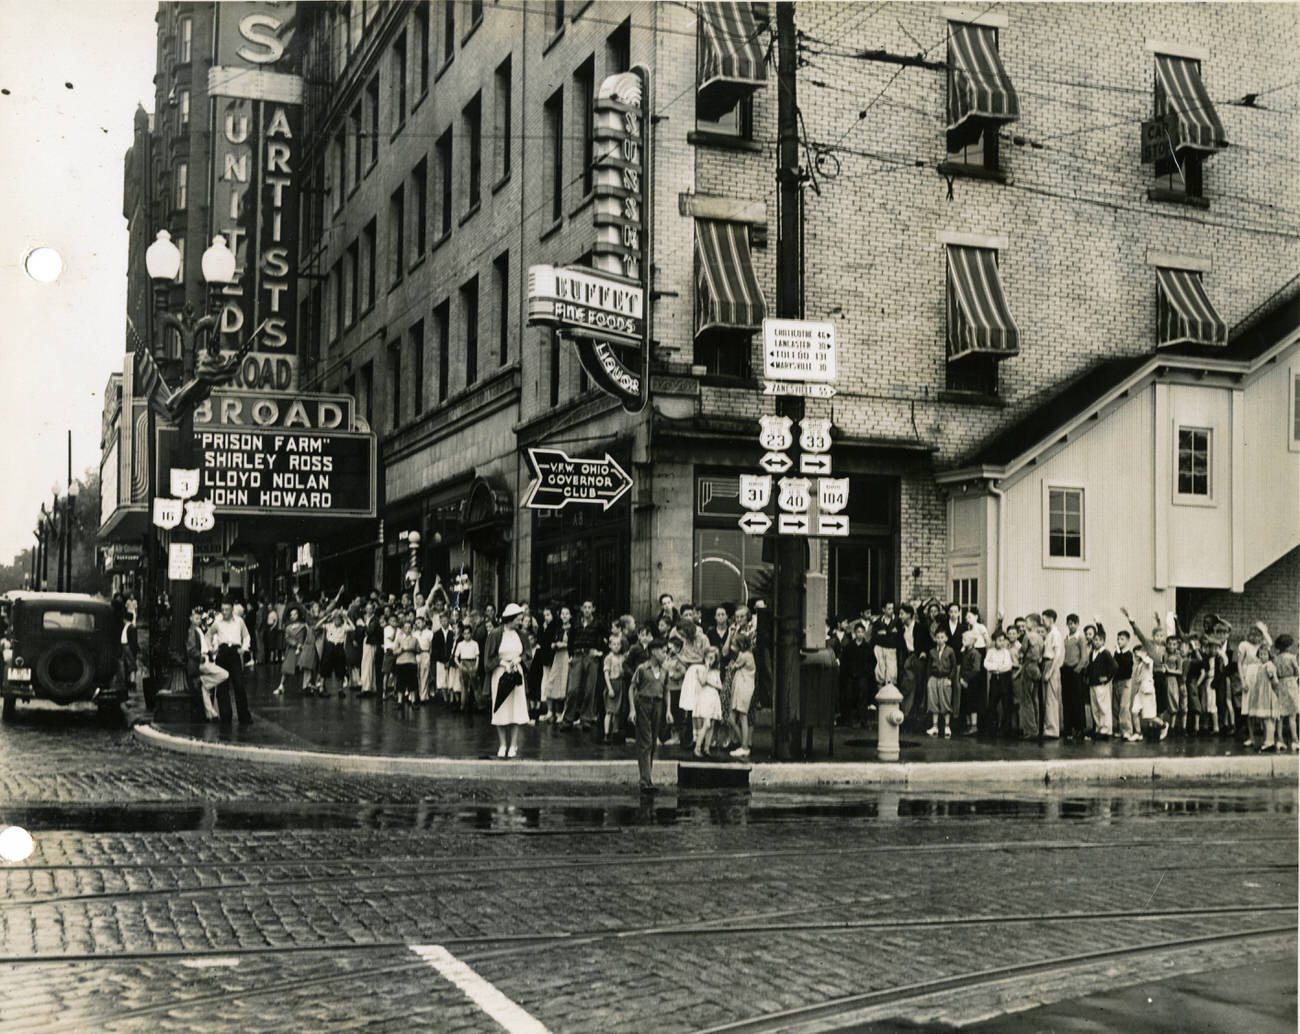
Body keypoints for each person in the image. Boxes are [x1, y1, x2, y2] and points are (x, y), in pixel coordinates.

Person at [485, 603, 529, 757]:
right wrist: (502, 663)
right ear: (510, 619)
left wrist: (518, 661)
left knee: (516, 709)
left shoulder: (521, 635)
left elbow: (527, 654)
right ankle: (503, 744)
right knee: (500, 708)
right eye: (518, 619)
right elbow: (488, 658)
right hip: (500, 674)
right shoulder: (495, 634)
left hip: (516, 673)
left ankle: (513, 745)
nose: (520, 622)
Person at [630, 638, 671, 792]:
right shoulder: (642, 668)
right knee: (645, 742)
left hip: (658, 705)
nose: (665, 654)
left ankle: (647, 778)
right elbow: (632, 688)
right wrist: (633, 710)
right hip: (644, 704)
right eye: (663, 651)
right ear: (654, 652)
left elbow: (666, 691)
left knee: (653, 743)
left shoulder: (665, 671)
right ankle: (645, 780)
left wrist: (668, 711)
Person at [208, 600, 253, 725]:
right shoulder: (217, 622)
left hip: (234, 652)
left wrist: (244, 649)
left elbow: (246, 636)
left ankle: (244, 716)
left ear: (232, 609)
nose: (224, 612)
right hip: (222, 652)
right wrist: (211, 649)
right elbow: (208, 635)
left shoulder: (239, 621)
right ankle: (226, 716)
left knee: (239, 684)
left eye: (227, 610)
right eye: (222, 609)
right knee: (222, 686)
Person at [561, 600, 604, 729]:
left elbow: (607, 637)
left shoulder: (598, 624)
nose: (587, 610)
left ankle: (586, 718)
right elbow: (570, 641)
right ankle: (568, 719)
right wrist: (570, 656)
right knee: (573, 690)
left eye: (589, 607)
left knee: (589, 689)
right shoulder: (576, 623)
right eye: (584, 607)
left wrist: (600, 652)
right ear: (581, 609)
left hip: (591, 657)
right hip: (577, 655)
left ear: (593, 609)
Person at [838, 621, 874, 727]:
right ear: (854, 633)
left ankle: (862, 720)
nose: (860, 634)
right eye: (858, 632)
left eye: (862, 632)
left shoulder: (867, 647)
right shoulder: (849, 647)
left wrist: (866, 672)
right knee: (850, 696)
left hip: (863, 677)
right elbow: (844, 662)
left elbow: (872, 662)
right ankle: (851, 720)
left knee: (862, 696)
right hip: (851, 676)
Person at [1086, 624, 1117, 739]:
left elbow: (1114, 666)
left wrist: (1107, 678)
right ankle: (1099, 728)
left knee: (1104, 707)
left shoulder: (1105, 653)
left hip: (1101, 685)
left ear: (1103, 641)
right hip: (1093, 684)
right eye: (1095, 640)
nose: (1097, 642)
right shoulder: (1092, 653)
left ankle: (1106, 730)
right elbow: (1090, 667)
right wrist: (1088, 678)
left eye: (1099, 640)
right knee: (1095, 707)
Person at [692, 646, 724, 757]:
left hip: (713, 698)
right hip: (705, 697)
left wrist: (711, 684)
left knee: (712, 725)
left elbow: (720, 686)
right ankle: (697, 747)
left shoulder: (716, 671)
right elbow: (702, 681)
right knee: (707, 723)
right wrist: (706, 667)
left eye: (712, 658)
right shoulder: (701, 669)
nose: (710, 660)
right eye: (708, 658)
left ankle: (706, 748)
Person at [539, 605, 570, 722]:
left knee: (564, 684)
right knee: (552, 683)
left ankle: (561, 712)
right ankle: (551, 711)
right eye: (562, 614)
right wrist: (554, 644)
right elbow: (547, 641)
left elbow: (572, 643)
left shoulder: (570, 628)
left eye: (566, 614)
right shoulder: (557, 628)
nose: (564, 616)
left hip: (565, 656)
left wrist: (563, 645)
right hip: (555, 656)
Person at [728, 632, 756, 758]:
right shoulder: (746, 654)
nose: (732, 646)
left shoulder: (745, 655)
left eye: (734, 644)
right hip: (740, 687)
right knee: (732, 719)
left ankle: (744, 746)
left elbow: (734, 666)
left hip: (744, 688)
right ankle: (743, 744)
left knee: (742, 716)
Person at [983, 626, 1014, 737]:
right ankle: (992, 729)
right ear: (994, 641)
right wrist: (996, 667)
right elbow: (986, 664)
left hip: (1004, 680)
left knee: (1006, 704)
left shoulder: (1006, 652)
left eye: (1003, 640)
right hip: (994, 680)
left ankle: (1006, 730)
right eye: (999, 640)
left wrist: (996, 668)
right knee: (992, 704)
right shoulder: (991, 652)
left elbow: (1008, 666)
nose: (1001, 642)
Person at [317, 607, 353, 697]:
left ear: (341, 620)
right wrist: (325, 618)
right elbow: (316, 626)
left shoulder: (344, 627)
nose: (337, 621)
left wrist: (346, 618)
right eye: (335, 619)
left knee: (340, 669)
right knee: (325, 667)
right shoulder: (329, 625)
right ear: (333, 619)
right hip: (329, 647)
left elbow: (353, 628)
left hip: (339, 648)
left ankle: (340, 690)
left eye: (339, 619)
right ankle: (321, 688)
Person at [1272, 635, 1298, 752]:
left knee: (1281, 716)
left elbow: (1275, 673)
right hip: (1291, 683)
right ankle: (1295, 739)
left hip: (1280, 684)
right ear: (1288, 646)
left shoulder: (1276, 658)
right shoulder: (1292, 657)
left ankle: (1280, 739)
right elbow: (1297, 671)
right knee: (1292, 715)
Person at [1041, 609, 1064, 738]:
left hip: (1051, 665)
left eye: (1044, 619)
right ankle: (1048, 727)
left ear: (1050, 619)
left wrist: (1050, 671)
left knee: (1051, 699)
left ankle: (1052, 730)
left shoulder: (1055, 634)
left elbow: (1057, 654)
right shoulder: (1050, 634)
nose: (1043, 622)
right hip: (1047, 663)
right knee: (1047, 699)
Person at [602, 631, 626, 745]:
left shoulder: (621, 657)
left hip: (620, 683)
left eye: (618, 644)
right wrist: (610, 688)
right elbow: (606, 673)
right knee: (610, 711)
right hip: (612, 683)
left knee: (617, 711)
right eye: (614, 644)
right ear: (610, 645)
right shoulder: (609, 658)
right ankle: (606, 733)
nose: (616, 646)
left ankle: (615, 732)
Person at [1112, 629, 1136, 742]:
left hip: (1125, 682)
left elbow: (1126, 668)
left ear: (1127, 641)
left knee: (1124, 707)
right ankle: (1119, 729)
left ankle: (1127, 731)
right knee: (1116, 707)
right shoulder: (1117, 653)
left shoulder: (1128, 654)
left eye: (1122, 639)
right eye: (1118, 639)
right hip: (1116, 682)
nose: (1119, 641)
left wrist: (1118, 653)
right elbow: (1114, 666)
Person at [452, 623, 480, 711]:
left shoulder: (475, 643)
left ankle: (479, 705)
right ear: (462, 634)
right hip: (463, 663)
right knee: (464, 686)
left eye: (468, 633)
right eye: (465, 633)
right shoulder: (460, 644)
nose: (467, 635)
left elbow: (477, 656)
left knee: (475, 686)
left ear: (471, 634)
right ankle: (463, 705)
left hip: (472, 663)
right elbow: (455, 657)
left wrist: (476, 666)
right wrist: (460, 665)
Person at [394, 618, 419, 707]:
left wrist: (413, 649)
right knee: (400, 682)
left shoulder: (415, 639)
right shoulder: (399, 638)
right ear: (403, 629)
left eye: (409, 627)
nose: (408, 629)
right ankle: (400, 702)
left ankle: (413, 701)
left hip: (412, 662)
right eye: (406, 627)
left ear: (412, 629)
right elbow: (394, 651)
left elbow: (418, 649)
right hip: (401, 663)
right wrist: (401, 649)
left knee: (412, 682)